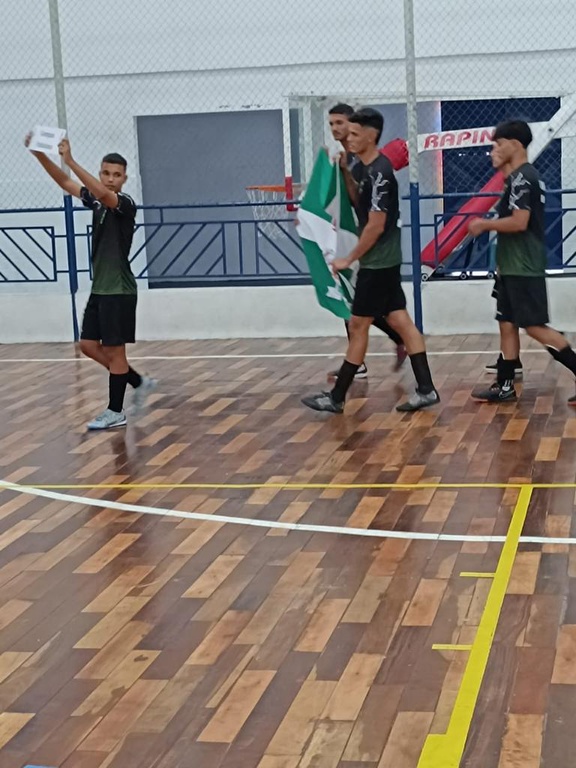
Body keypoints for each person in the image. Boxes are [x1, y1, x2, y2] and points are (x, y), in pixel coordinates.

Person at [301, 108, 439, 414]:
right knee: (401, 322)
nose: (347, 138)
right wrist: (345, 174)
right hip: (383, 261)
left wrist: (348, 258)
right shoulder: (364, 169)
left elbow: (375, 225)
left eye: (354, 133)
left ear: (371, 135)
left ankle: (337, 397)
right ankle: (426, 389)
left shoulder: (380, 173)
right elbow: (357, 202)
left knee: (358, 324)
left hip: (379, 262)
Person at [26, 133, 156, 429]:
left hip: (119, 291)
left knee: (115, 351)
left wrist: (71, 160)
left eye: (116, 175)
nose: (110, 179)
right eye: (106, 173)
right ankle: (138, 381)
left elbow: (103, 195)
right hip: (100, 289)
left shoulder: (124, 204)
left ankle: (115, 411)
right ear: (100, 173)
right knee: (87, 345)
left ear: (124, 179)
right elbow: (65, 182)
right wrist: (40, 155)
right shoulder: (96, 203)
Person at [468, 119, 576, 403]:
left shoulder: (522, 178)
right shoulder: (517, 178)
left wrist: (484, 224)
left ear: (515, 145)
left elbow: (519, 222)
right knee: (506, 323)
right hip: (512, 265)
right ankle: (504, 386)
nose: (494, 150)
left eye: (499, 144)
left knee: (535, 327)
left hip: (523, 266)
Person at [326, 103, 407, 378]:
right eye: (332, 124)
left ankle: (361, 365)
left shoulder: (368, 163)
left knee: (360, 308)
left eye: (341, 123)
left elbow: (363, 206)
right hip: (354, 237)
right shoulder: (346, 159)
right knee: (360, 304)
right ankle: (400, 344)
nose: (337, 129)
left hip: (369, 245)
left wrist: (351, 255)